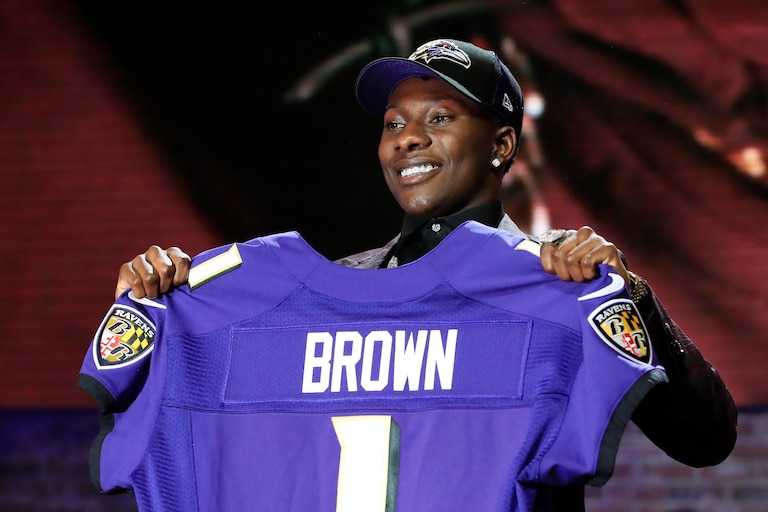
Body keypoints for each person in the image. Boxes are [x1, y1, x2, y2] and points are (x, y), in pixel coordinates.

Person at [111, 38, 737, 510]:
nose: (407, 139)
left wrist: (632, 299)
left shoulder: (561, 279)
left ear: (501, 145)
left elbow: (706, 439)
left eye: (440, 118)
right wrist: (157, 313)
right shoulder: (325, 291)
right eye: (393, 124)